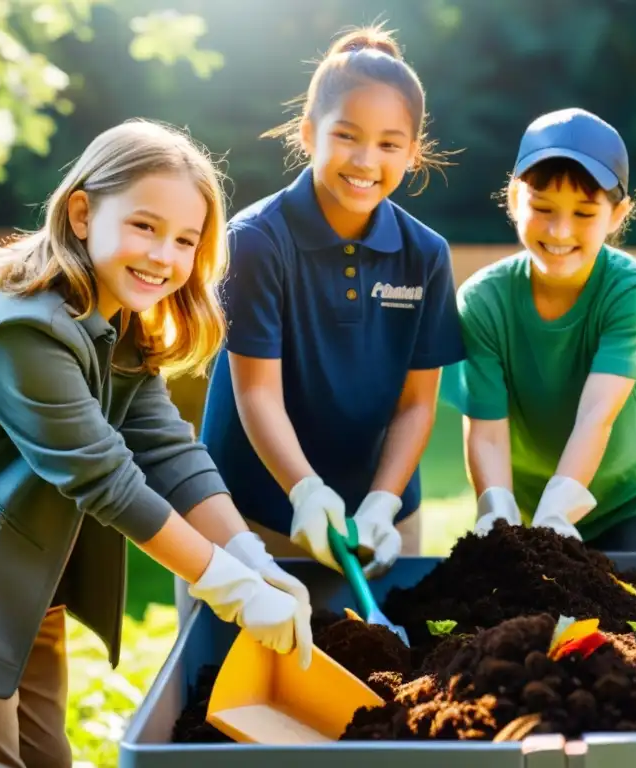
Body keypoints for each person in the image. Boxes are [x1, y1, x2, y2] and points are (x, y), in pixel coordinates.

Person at [0, 120, 315, 768]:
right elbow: (110, 482)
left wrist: (253, 558)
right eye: (145, 226)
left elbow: (169, 450)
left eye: (185, 240)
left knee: (49, 757)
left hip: (28, 597)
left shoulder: (116, 328)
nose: (164, 255)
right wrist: (230, 588)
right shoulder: (26, 335)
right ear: (82, 213)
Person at [194, 24, 465, 589]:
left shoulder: (427, 255)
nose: (366, 159)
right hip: (254, 508)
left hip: (381, 516)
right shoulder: (256, 240)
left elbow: (418, 405)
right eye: (346, 135)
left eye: (390, 143)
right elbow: (256, 391)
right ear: (308, 132)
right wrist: (305, 491)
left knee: (389, 666)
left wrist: (383, 504)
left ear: (413, 154)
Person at [441, 108, 636, 551]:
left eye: (585, 213)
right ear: (514, 199)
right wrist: (497, 509)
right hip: (532, 499)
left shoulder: (629, 290)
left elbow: (597, 413)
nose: (560, 230)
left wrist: (562, 505)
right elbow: (486, 428)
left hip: (634, 494)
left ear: (616, 215)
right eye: (543, 207)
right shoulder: (482, 302)